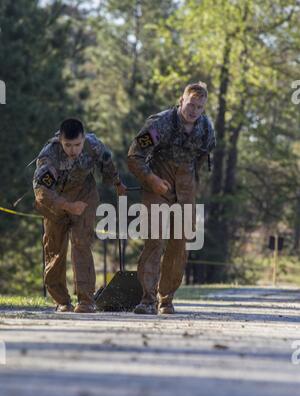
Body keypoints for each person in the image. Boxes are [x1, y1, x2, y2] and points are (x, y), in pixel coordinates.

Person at [127, 81, 215, 315]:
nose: (193, 110)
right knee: (154, 239)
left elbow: (203, 157)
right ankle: (147, 300)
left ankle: (166, 299)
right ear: (181, 100)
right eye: (191, 104)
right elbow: (134, 156)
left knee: (180, 244)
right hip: (158, 181)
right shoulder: (160, 124)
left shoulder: (206, 128)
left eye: (199, 107)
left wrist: (190, 183)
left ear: (204, 108)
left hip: (186, 186)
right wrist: (152, 180)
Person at [33, 118, 126, 313]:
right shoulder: (49, 155)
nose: (73, 150)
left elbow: (107, 163)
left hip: (84, 196)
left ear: (84, 139)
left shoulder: (94, 145)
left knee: (81, 244)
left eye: (77, 145)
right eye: (68, 145)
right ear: (60, 140)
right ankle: (61, 301)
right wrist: (67, 205)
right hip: (55, 202)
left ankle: (86, 300)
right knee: (55, 250)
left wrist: (117, 183)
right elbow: (42, 190)